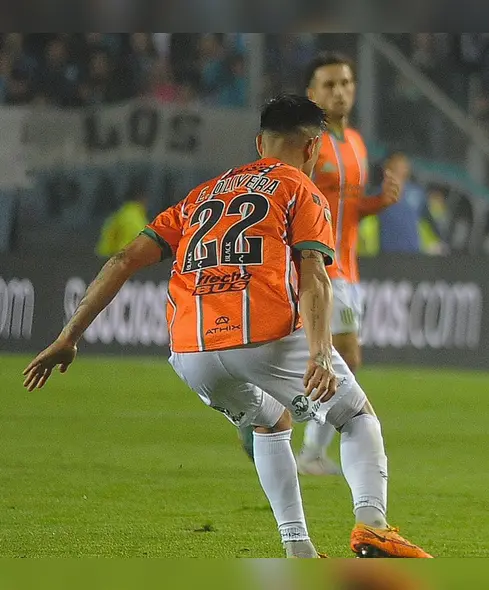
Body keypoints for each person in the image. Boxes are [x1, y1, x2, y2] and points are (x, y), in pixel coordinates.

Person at [22, 94, 431, 559]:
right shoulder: (301, 188)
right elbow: (314, 273)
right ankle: (372, 526)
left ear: (259, 143)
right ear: (315, 146)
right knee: (356, 417)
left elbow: (122, 259)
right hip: (263, 335)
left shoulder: (203, 194)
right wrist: (319, 352)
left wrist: (67, 337)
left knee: (270, 419)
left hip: (190, 351)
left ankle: (298, 550)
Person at [238, 53, 403, 477]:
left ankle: (271, 418)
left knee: (340, 356)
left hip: (347, 264)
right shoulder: (310, 145)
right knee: (339, 353)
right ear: (312, 94)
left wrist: (378, 203)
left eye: (346, 83)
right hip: (314, 264)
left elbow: (343, 209)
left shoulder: (357, 144)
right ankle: (292, 434)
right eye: (329, 85)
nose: (340, 91)